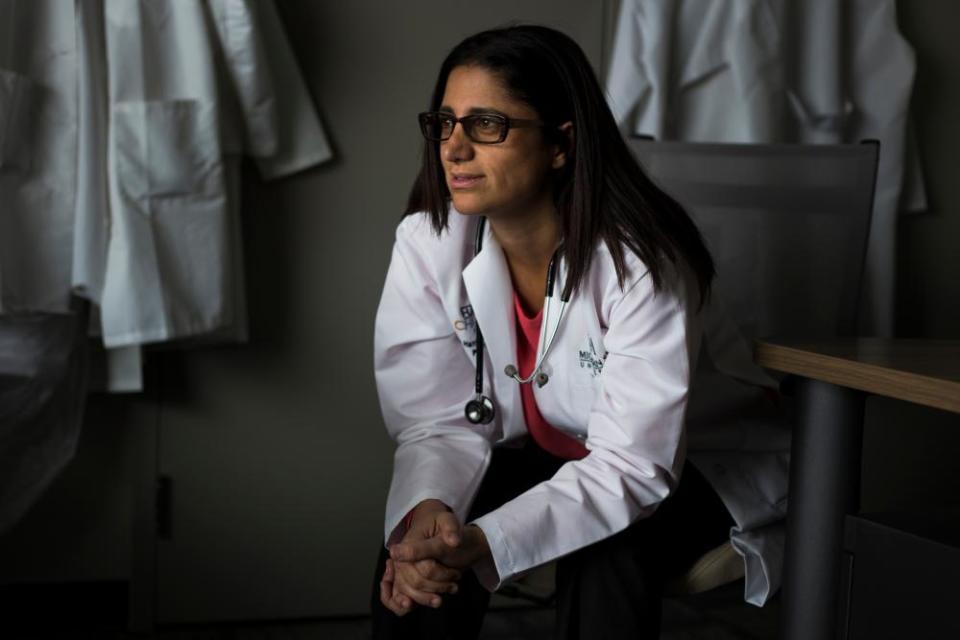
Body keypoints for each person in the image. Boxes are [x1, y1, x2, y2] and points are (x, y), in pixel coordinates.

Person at [370, 25, 784, 639]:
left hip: (689, 467)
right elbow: (437, 420)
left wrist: (488, 543)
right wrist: (432, 512)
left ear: (561, 144)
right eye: (444, 124)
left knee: (608, 547)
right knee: (424, 546)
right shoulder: (429, 243)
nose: (454, 149)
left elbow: (634, 465)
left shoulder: (641, 264)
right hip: (551, 450)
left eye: (486, 125)